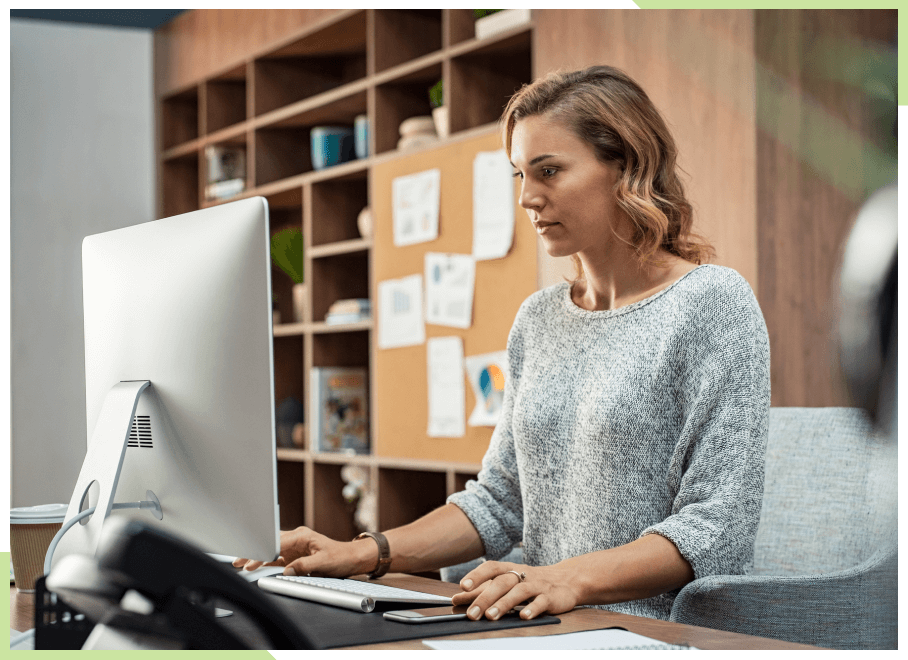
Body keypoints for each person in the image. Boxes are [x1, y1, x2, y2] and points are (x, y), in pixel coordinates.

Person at [236, 65, 770, 622]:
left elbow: (718, 525)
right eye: (519, 175)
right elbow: (498, 501)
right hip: (543, 627)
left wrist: (566, 579)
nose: (527, 198)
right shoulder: (538, 319)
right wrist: (364, 553)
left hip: (652, 632)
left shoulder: (712, 302)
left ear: (625, 167)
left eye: (549, 171)